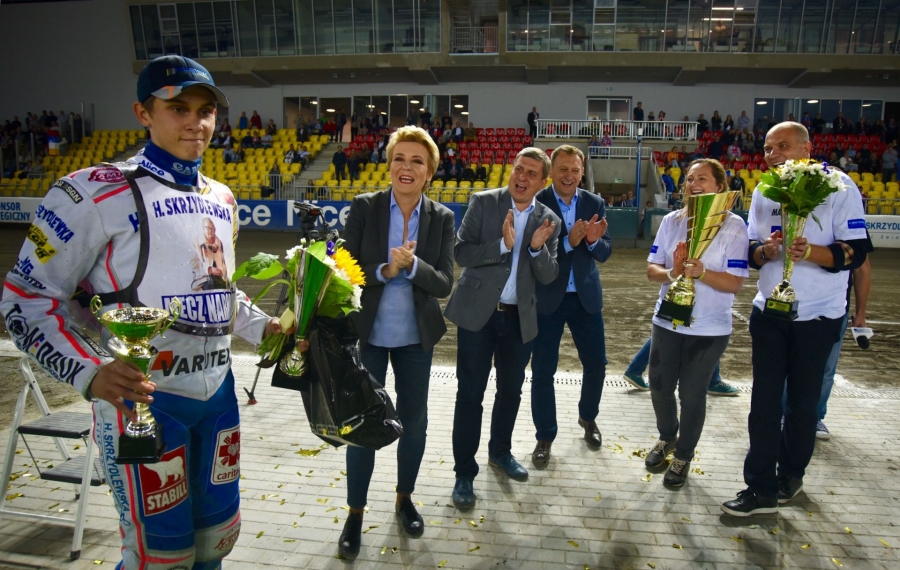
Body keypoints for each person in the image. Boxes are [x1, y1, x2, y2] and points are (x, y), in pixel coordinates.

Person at [0, 55, 285, 570]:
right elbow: (25, 299)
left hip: (218, 399)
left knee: (216, 543)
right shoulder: (92, 190)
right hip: (145, 406)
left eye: (205, 111)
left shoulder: (222, 198)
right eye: (178, 108)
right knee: (161, 558)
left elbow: (219, 296)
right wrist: (90, 372)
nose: (195, 122)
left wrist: (270, 329)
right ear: (143, 113)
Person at [721, 122, 869, 516]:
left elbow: (856, 251)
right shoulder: (764, 189)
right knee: (763, 404)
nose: (773, 155)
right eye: (768, 148)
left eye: (782, 146)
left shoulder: (839, 186)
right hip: (769, 312)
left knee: (802, 407)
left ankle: (790, 476)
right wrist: (766, 252)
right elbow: (751, 249)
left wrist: (811, 253)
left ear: (806, 148)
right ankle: (759, 488)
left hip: (819, 317)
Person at [336, 126, 456, 558]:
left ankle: (405, 499)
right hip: (367, 336)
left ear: (430, 172)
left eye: (417, 161)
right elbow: (344, 270)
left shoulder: (442, 217)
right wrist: (385, 270)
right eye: (399, 158)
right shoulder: (364, 207)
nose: (407, 167)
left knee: (414, 423)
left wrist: (413, 265)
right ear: (389, 165)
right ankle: (355, 512)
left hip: (415, 340)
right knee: (362, 425)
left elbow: (444, 283)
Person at [444, 147, 560, 508]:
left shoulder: (549, 220)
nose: (521, 178)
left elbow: (549, 275)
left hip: (518, 319)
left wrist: (537, 250)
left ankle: (500, 452)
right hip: (478, 315)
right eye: (518, 169)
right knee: (470, 394)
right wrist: (502, 245)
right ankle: (465, 472)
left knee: (510, 392)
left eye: (531, 174)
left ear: (543, 182)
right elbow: (461, 253)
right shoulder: (483, 202)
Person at [644, 158, 749, 487]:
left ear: (720, 185)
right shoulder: (672, 220)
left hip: (709, 328)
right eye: (690, 179)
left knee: (691, 395)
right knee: (659, 387)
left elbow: (734, 283)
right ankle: (667, 437)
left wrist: (701, 272)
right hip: (668, 321)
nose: (694, 184)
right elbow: (652, 271)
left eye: (702, 178)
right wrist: (673, 272)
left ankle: (684, 455)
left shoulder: (734, 226)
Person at [529, 145, 611, 467]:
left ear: (582, 172)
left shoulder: (594, 202)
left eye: (575, 170)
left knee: (597, 364)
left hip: (585, 299)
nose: (569, 176)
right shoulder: (537, 202)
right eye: (562, 169)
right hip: (547, 298)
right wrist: (568, 242)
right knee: (542, 371)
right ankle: (544, 436)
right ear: (551, 172)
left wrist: (592, 241)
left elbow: (605, 252)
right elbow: (531, 252)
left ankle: (588, 418)